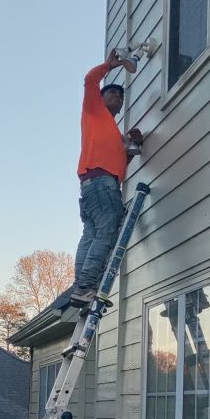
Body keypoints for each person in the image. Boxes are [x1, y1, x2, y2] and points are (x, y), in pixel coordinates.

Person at [69, 48, 144, 305]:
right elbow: (90, 80)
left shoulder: (113, 132)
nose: (118, 96)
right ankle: (87, 285)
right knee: (106, 231)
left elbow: (120, 165)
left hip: (94, 184)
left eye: (121, 95)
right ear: (101, 98)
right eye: (112, 92)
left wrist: (133, 146)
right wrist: (109, 65)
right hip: (101, 183)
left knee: (90, 234)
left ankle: (81, 287)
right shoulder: (93, 110)